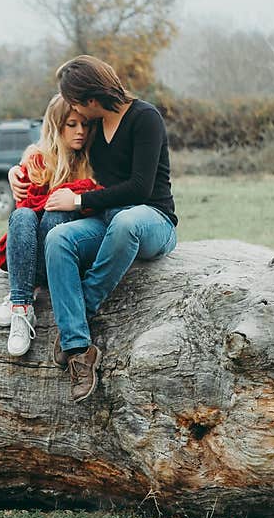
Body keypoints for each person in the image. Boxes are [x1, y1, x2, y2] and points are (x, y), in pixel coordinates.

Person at [11, 55, 178, 402]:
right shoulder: (93, 127)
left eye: (74, 101)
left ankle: (80, 313)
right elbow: (52, 149)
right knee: (58, 238)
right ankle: (79, 349)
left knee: (125, 221)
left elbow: (140, 188)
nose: (75, 112)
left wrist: (77, 203)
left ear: (89, 98)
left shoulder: (145, 118)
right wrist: (17, 170)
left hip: (151, 219)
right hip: (106, 220)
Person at [0, 93, 101, 357]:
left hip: (64, 256)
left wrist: (72, 198)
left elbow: (98, 198)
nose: (80, 132)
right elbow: (26, 208)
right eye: (72, 124)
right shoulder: (38, 160)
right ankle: (22, 307)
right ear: (56, 126)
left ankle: (22, 292)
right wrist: (15, 173)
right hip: (30, 250)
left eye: (85, 125)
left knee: (55, 215)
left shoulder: (92, 161)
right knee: (22, 216)